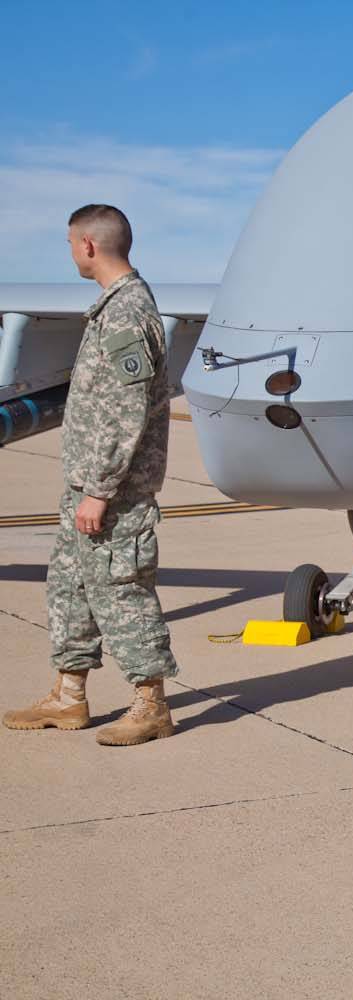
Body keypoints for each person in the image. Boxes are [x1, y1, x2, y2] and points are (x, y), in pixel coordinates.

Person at [2, 205, 179, 745]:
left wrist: (100, 491)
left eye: (68, 243)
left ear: (87, 246)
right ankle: (69, 696)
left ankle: (150, 705)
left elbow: (124, 413)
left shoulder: (127, 314)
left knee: (121, 593)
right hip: (87, 486)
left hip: (114, 493)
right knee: (71, 589)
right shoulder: (110, 308)